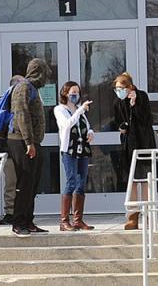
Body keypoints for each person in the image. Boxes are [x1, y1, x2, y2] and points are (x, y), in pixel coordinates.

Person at [7, 59, 51, 238]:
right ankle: (18, 223)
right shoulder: (23, 87)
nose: (47, 77)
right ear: (38, 72)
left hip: (32, 142)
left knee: (32, 184)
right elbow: (21, 115)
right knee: (24, 183)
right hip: (21, 142)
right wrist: (29, 143)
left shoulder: (33, 89)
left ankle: (28, 220)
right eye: (45, 73)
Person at [112, 72, 156, 230]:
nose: (119, 91)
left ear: (130, 87)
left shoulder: (142, 96)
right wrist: (121, 127)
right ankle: (132, 216)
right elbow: (117, 121)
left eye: (121, 88)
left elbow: (147, 119)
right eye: (116, 89)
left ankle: (149, 215)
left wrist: (134, 104)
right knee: (131, 181)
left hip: (143, 143)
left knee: (144, 181)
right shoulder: (118, 102)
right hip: (127, 146)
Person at [55, 81, 95, 231]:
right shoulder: (60, 110)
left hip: (82, 149)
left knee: (81, 183)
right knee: (71, 181)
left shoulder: (79, 109)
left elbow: (87, 127)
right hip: (69, 150)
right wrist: (79, 112)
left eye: (77, 92)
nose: (75, 95)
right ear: (65, 93)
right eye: (72, 92)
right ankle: (64, 221)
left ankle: (78, 220)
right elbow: (67, 125)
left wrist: (90, 134)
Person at [0, 75, 23, 226]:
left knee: (24, 183)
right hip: (9, 149)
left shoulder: (24, 102)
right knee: (11, 182)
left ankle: (22, 212)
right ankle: (10, 212)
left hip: (23, 149)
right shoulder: (4, 103)